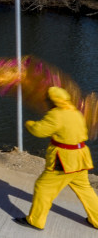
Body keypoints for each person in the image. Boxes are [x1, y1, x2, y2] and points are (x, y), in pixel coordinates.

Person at [14, 86, 98, 230]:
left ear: (53, 101)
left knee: (43, 187)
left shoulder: (56, 114)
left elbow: (40, 130)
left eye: (48, 99)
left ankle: (35, 221)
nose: (46, 102)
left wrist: (29, 124)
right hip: (81, 157)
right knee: (85, 189)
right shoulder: (75, 112)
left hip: (64, 161)